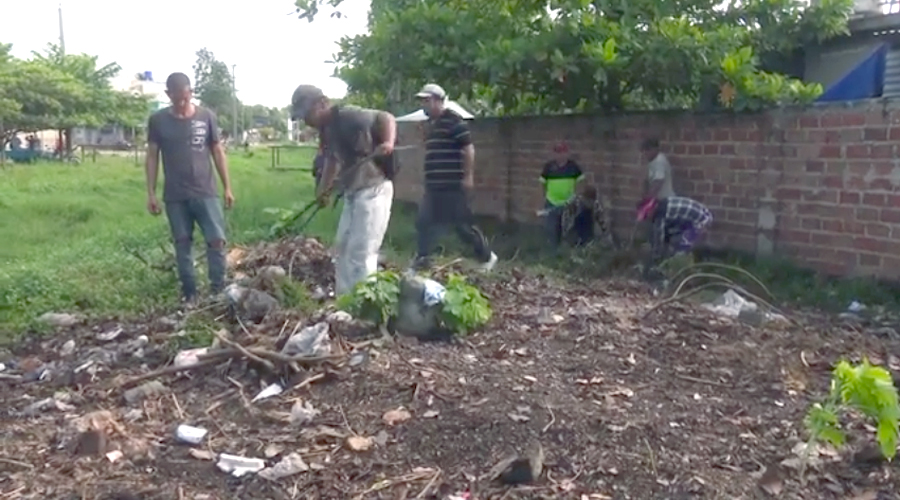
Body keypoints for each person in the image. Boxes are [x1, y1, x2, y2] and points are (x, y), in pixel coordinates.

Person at [290, 84, 396, 295]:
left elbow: (386, 117)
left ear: (322, 103)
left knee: (362, 252)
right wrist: (323, 190)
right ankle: (344, 302)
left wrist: (388, 142)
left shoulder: (348, 116)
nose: (306, 121)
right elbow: (332, 160)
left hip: (373, 189)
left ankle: (365, 304)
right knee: (342, 248)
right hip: (354, 192)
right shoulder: (327, 130)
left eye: (308, 114)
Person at [145, 72, 235, 305]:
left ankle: (217, 290)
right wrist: (151, 192)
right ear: (169, 95)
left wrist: (227, 187)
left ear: (191, 93)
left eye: (186, 98)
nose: (182, 104)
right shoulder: (158, 121)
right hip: (175, 195)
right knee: (182, 243)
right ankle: (190, 294)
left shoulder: (206, 117)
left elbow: (217, 151)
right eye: (177, 99)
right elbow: (152, 156)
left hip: (206, 191)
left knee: (216, 240)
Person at [411, 83, 497, 272]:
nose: (423, 105)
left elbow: (468, 148)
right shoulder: (433, 125)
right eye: (422, 101)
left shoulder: (454, 120)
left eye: (427, 101)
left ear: (438, 101)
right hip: (434, 185)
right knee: (424, 221)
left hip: (452, 184)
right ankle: (423, 259)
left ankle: (487, 256)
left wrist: (468, 177)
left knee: (462, 226)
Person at [639, 196, 712, 263]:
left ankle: (682, 266)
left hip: (701, 219)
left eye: (646, 216)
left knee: (683, 246)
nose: (647, 219)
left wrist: (656, 256)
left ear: (651, 210)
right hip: (691, 217)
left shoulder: (660, 213)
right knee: (671, 235)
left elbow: (659, 236)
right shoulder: (663, 205)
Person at [539, 141, 583, 247]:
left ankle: (566, 252)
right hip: (552, 203)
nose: (560, 155)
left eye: (563, 152)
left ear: (567, 153)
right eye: (558, 152)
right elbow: (542, 183)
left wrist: (575, 196)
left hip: (568, 204)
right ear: (554, 154)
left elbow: (581, 182)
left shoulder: (574, 167)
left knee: (568, 230)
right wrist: (544, 197)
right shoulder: (548, 167)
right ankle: (552, 253)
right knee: (551, 230)